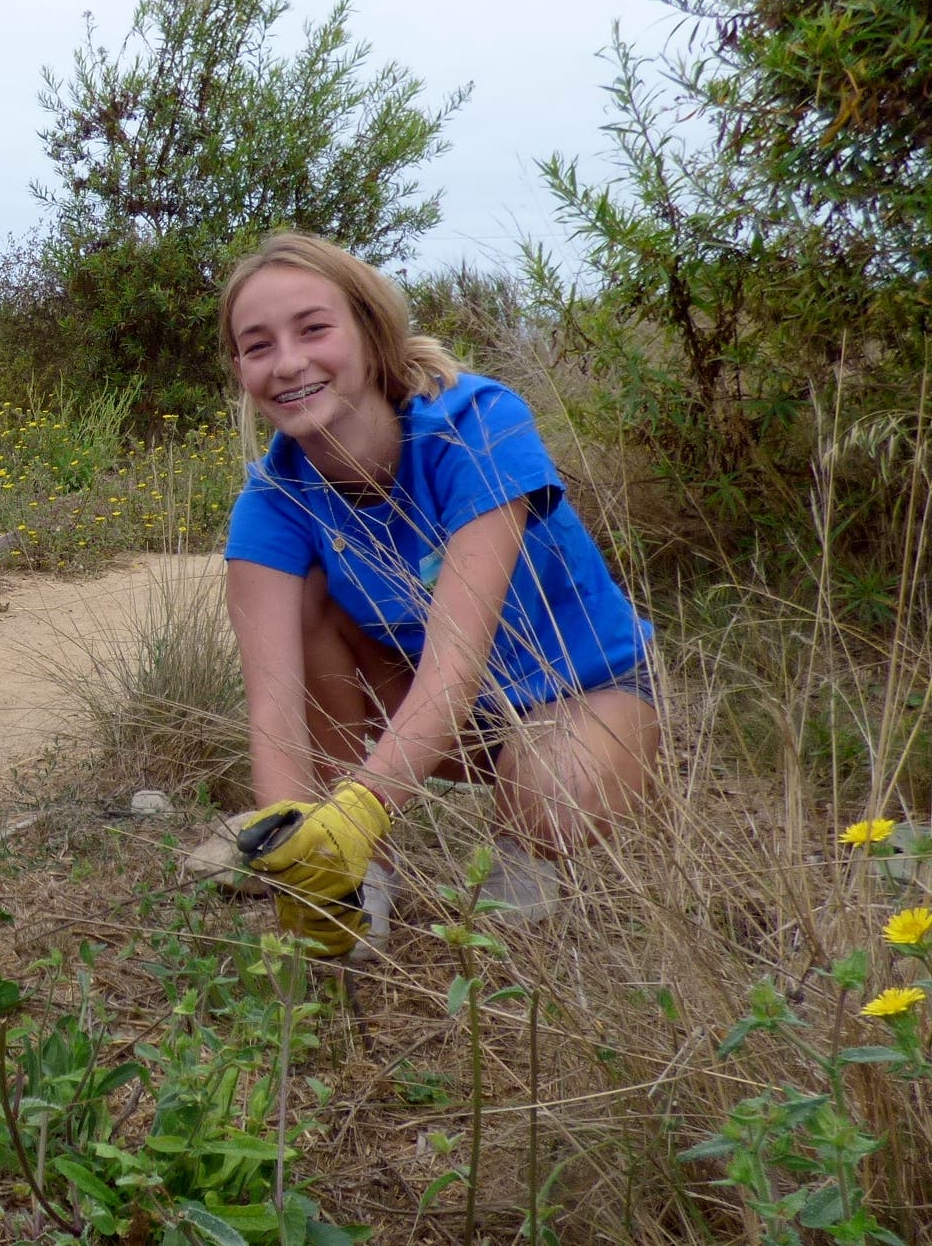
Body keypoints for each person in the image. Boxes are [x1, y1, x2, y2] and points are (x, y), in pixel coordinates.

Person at [218, 232, 659, 958]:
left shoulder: (478, 424)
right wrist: (296, 847)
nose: (289, 362)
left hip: (581, 688)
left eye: (314, 329)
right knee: (301, 606)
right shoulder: (270, 500)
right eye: (258, 345)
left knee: (549, 801)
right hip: (446, 720)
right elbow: (272, 706)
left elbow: (455, 665)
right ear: (240, 368)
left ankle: (531, 852)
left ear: (369, 330)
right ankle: (363, 882)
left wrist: (360, 806)